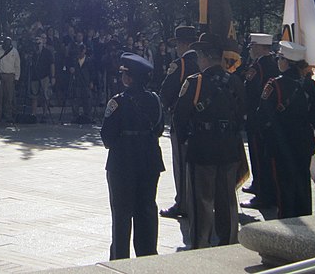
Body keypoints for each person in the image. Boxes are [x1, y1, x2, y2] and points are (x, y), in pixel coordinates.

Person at [174, 32, 245, 249]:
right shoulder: (234, 81)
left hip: (202, 150)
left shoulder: (195, 83)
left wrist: (189, 140)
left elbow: (179, 118)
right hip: (229, 148)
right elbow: (243, 113)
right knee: (228, 200)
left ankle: (201, 245)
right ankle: (229, 243)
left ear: (205, 56)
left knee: (202, 202)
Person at [101, 53, 165, 260]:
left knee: (121, 214)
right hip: (149, 161)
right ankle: (147, 256)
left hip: (122, 163)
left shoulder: (117, 102)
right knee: (146, 209)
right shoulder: (155, 100)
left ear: (129, 78)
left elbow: (107, 137)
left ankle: (120, 258)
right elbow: (159, 129)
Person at [257, 41, 315, 218]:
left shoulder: (275, 84)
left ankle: (288, 223)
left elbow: (262, 115)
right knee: (302, 186)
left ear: (286, 61)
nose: (278, 61)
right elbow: (314, 114)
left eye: (280, 58)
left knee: (284, 189)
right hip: (304, 142)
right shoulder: (309, 84)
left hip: (282, 144)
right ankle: (305, 218)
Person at [158, 25, 199, 219]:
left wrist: (166, 107)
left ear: (183, 44)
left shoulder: (180, 64)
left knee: (181, 163)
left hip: (182, 119)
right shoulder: (203, 61)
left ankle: (182, 202)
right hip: (202, 121)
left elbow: (166, 92)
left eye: (177, 44)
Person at [240, 33, 280, 209]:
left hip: (256, 117)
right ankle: (261, 186)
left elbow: (251, 92)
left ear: (259, 47)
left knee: (258, 156)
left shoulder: (257, 66)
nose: (250, 49)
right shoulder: (275, 63)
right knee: (266, 155)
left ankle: (262, 195)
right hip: (270, 117)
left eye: (252, 46)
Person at [0, 36, 21, 123]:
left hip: (10, 75)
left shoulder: (14, 51)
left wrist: (17, 77)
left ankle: (8, 115)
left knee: (9, 96)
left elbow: (17, 65)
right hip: (0, 75)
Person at [30, 35, 55, 120]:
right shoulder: (33, 52)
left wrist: (53, 77)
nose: (37, 44)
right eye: (36, 42)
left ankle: (45, 114)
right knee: (34, 96)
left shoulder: (47, 52)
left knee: (45, 95)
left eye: (39, 42)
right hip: (34, 77)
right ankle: (33, 114)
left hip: (45, 76)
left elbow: (52, 65)